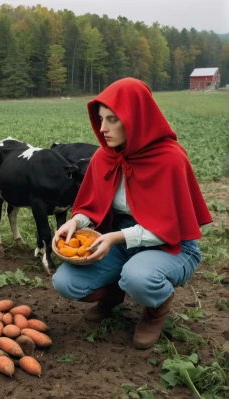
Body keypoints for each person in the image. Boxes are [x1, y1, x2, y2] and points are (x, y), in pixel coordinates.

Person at [52, 78, 212, 349]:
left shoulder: (170, 159)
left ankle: (156, 309)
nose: (103, 129)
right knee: (66, 282)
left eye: (113, 119)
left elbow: (170, 226)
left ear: (136, 117)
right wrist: (76, 222)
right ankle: (113, 294)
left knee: (138, 278)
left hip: (171, 245)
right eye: (101, 119)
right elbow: (91, 204)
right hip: (120, 238)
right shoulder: (105, 157)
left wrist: (116, 237)